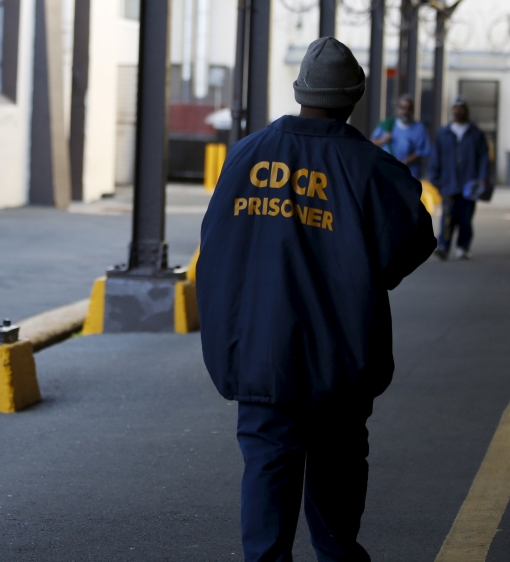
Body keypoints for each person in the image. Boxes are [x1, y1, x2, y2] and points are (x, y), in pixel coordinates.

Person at [197, 37, 436, 562]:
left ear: (300, 90)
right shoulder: (370, 168)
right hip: (340, 355)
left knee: (266, 467)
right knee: (337, 468)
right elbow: (413, 242)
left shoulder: (247, 154)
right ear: (356, 96)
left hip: (261, 353)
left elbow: (215, 246)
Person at [429, 95, 491, 260]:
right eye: (455, 108)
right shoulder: (443, 133)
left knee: (465, 217)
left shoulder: (475, 133)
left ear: (466, 110)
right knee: (447, 217)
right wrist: (435, 179)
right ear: (452, 110)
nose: (458, 111)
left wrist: (483, 178)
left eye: (461, 108)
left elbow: (484, 157)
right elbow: (436, 157)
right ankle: (443, 246)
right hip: (448, 182)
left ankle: (463, 247)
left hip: (469, 184)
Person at [370, 94, 431, 178]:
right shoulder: (388, 124)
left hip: (409, 173)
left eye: (409, 109)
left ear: (413, 110)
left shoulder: (419, 128)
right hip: (387, 171)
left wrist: (404, 162)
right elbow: (372, 143)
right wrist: (383, 140)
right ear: (398, 109)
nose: (405, 111)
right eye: (403, 108)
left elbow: (421, 151)